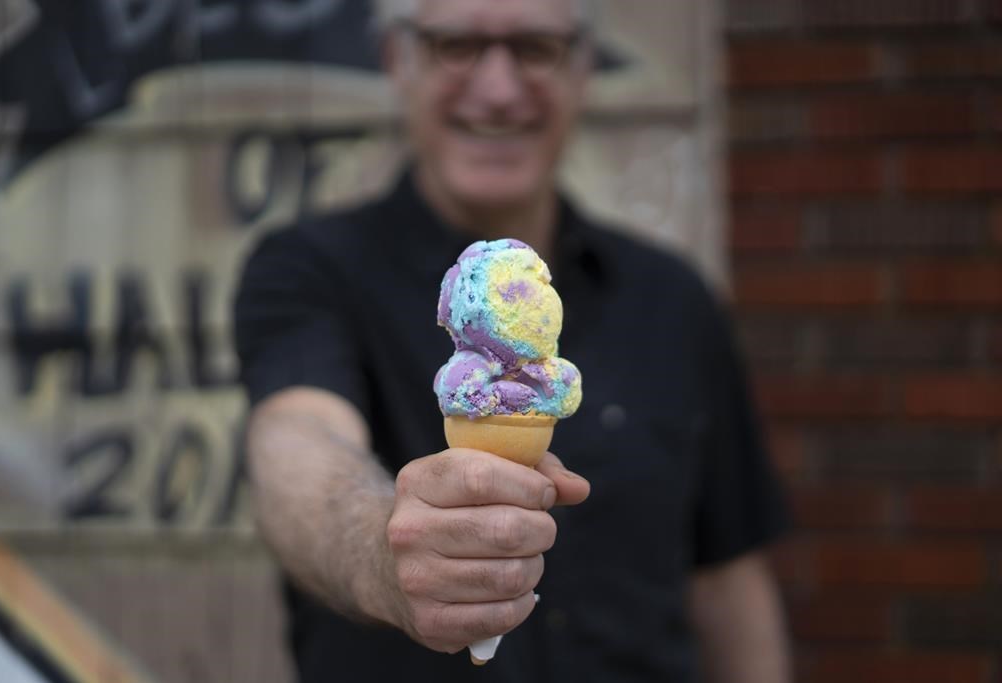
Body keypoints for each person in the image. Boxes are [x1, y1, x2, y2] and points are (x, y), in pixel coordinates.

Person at [233, 0, 792, 680]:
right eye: (454, 45)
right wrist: (384, 552)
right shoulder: (308, 269)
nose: (498, 90)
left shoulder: (674, 298)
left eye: (535, 47)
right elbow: (297, 440)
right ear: (396, 61)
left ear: (583, 67)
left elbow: (728, 579)